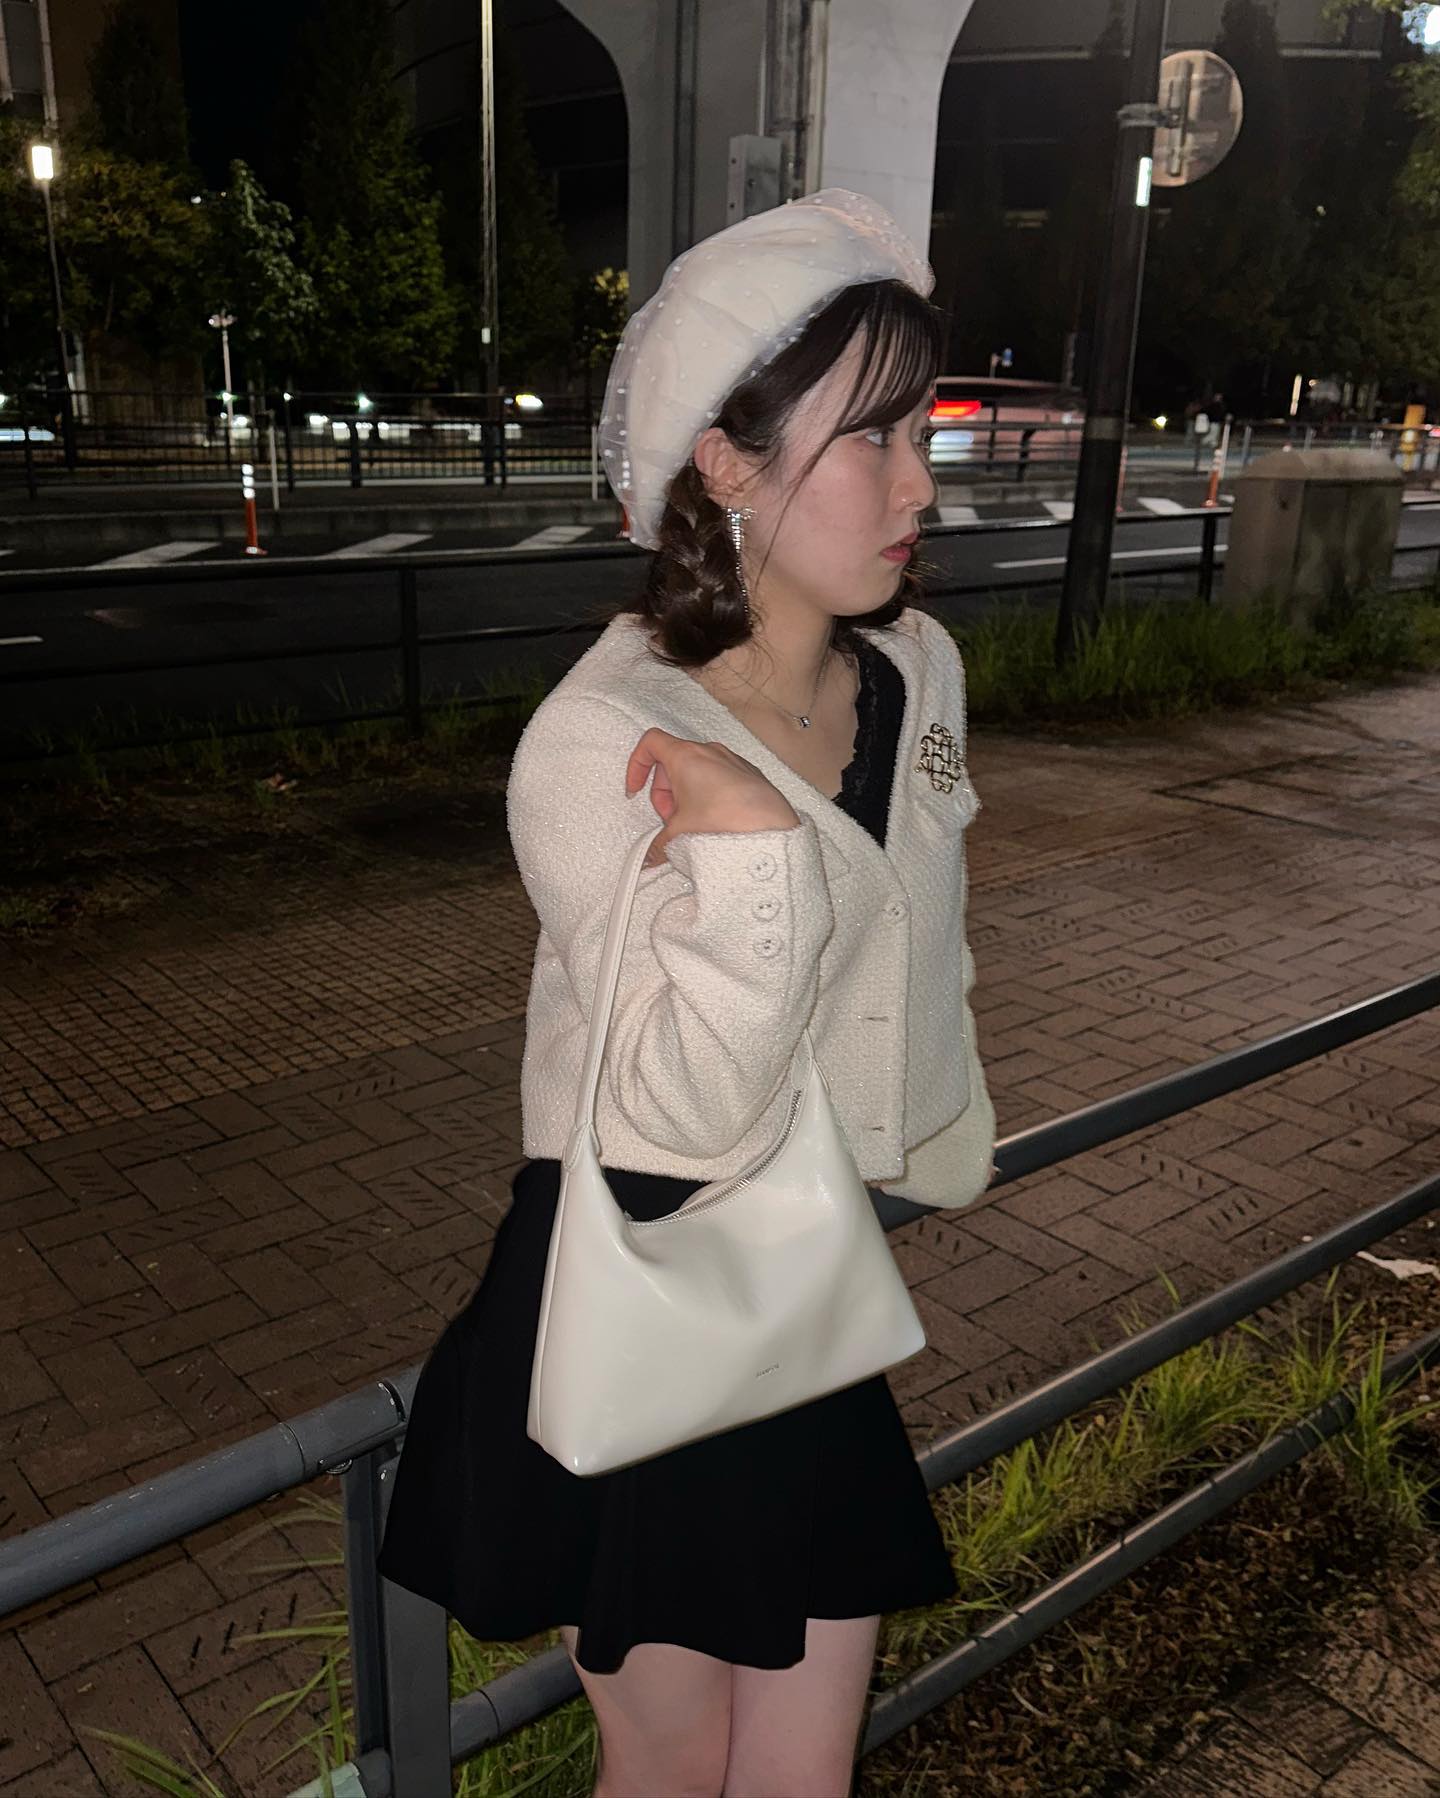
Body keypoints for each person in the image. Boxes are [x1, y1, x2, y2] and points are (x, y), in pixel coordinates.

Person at [377, 188, 997, 1797]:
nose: (920, 484)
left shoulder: (912, 669)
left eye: (920, 430)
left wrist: (922, 1128)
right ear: (725, 462)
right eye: (874, 439)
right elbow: (686, 1107)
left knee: (801, 1773)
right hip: (639, 1265)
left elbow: (917, 930)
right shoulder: (604, 742)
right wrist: (745, 856)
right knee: (673, 1769)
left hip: (804, 1274)